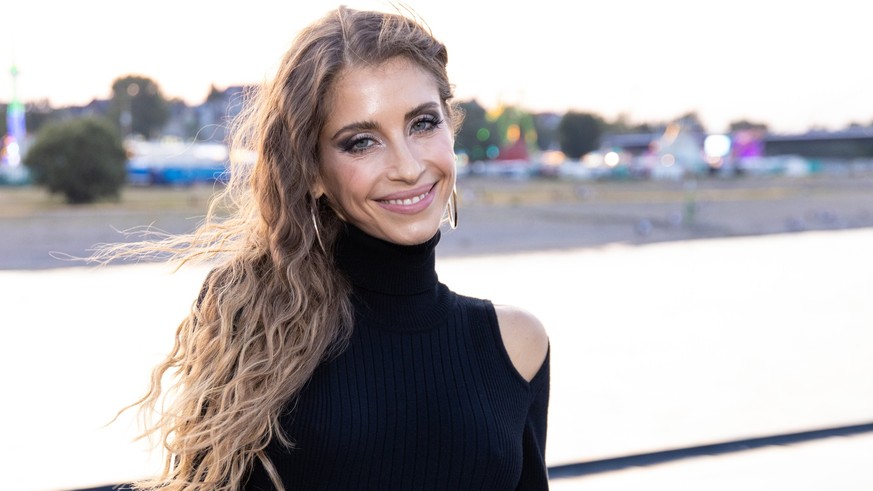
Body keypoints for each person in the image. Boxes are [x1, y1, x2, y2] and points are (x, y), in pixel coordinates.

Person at [115, 5, 550, 490]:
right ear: (315, 172)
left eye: (423, 123)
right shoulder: (250, 318)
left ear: (451, 126)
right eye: (362, 142)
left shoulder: (518, 344)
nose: (407, 166)